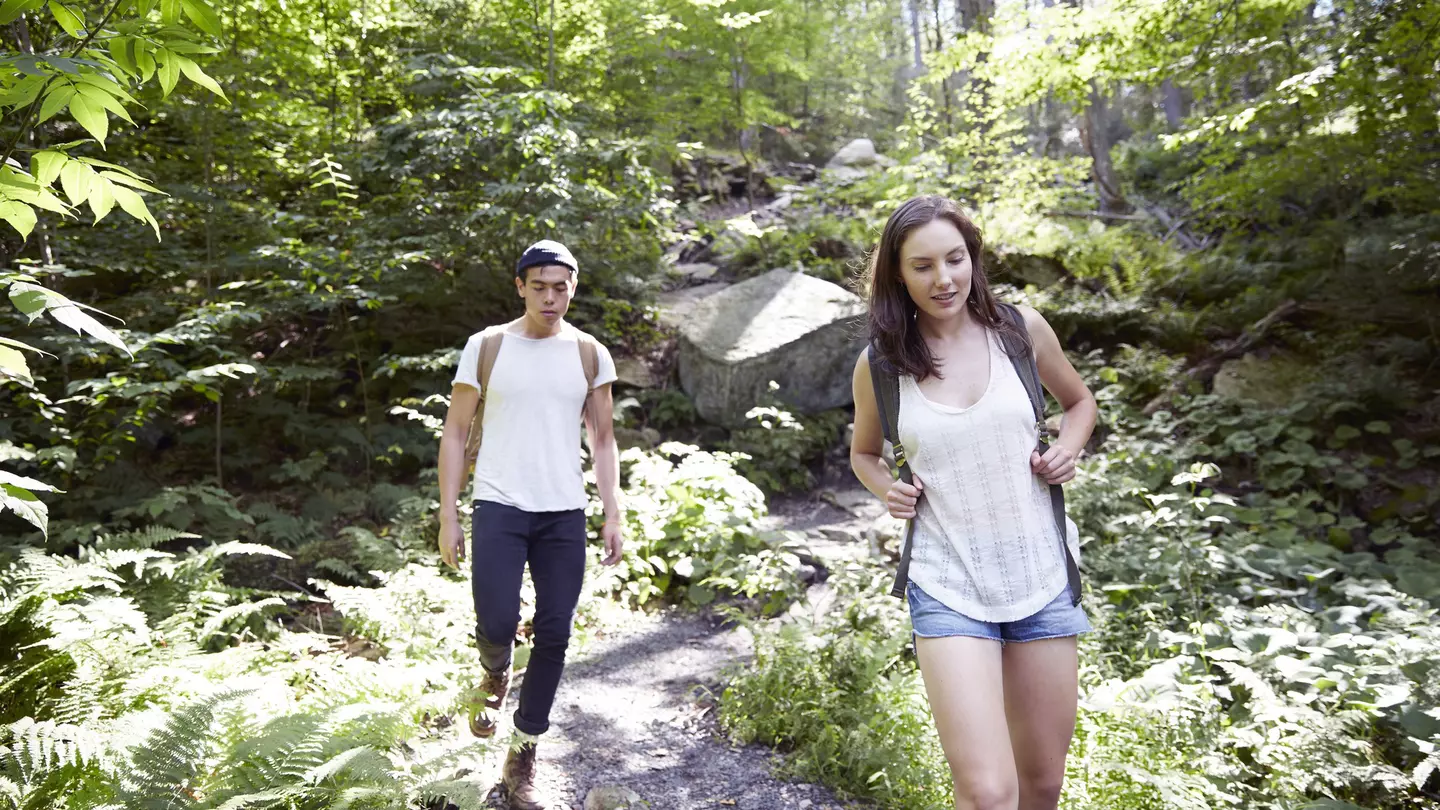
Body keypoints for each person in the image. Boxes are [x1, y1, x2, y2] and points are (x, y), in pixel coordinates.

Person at [849, 196, 1098, 810]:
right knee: (988, 792)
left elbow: (1080, 404)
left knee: (1041, 784)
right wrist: (890, 491)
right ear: (898, 276)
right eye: (923, 266)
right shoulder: (880, 364)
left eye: (955, 259)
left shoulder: (1020, 331)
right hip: (948, 580)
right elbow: (864, 454)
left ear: (973, 259)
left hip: (1041, 576)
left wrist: (1067, 448)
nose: (944, 279)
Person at [437, 239, 625, 810]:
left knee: (555, 634)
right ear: (520, 286)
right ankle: (494, 672)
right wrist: (449, 513)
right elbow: (454, 431)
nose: (551, 297)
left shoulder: (590, 353)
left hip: (564, 512)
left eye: (561, 286)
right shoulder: (488, 347)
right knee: (494, 618)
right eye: (539, 286)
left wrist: (613, 510)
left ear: (574, 287)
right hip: (498, 504)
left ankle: (523, 756)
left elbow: (603, 437)